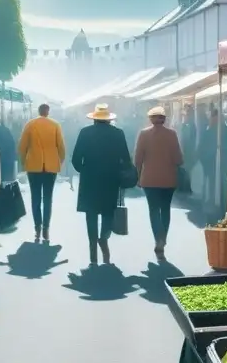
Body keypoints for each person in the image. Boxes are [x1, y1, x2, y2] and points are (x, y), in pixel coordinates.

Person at [72, 104, 132, 265]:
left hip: (89, 179)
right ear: (109, 119)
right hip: (110, 179)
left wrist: (84, 170)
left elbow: (76, 159)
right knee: (108, 212)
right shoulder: (118, 134)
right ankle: (104, 237)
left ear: (94, 119)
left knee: (90, 214)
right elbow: (126, 159)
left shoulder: (85, 133)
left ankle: (92, 248)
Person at [134, 106, 183, 261]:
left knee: (153, 210)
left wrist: (137, 176)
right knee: (165, 209)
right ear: (164, 119)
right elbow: (178, 159)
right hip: (169, 179)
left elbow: (138, 158)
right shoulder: (172, 134)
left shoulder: (143, 134)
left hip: (149, 179)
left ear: (150, 119)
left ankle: (158, 239)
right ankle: (163, 237)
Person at [18, 103, 66, 244]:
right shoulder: (55, 125)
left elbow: (22, 147)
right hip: (51, 167)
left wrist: (24, 162)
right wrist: (59, 162)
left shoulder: (30, 125)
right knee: (48, 198)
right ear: (48, 112)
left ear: (38, 111)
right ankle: (46, 228)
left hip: (33, 166)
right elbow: (61, 147)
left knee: (35, 198)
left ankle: (37, 227)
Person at [199, 106, 227, 209]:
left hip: (221, 164)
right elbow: (203, 148)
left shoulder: (225, 130)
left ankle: (220, 204)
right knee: (213, 185)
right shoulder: (210, 131)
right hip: (212, 164)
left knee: (221, 184)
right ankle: (215, 203)